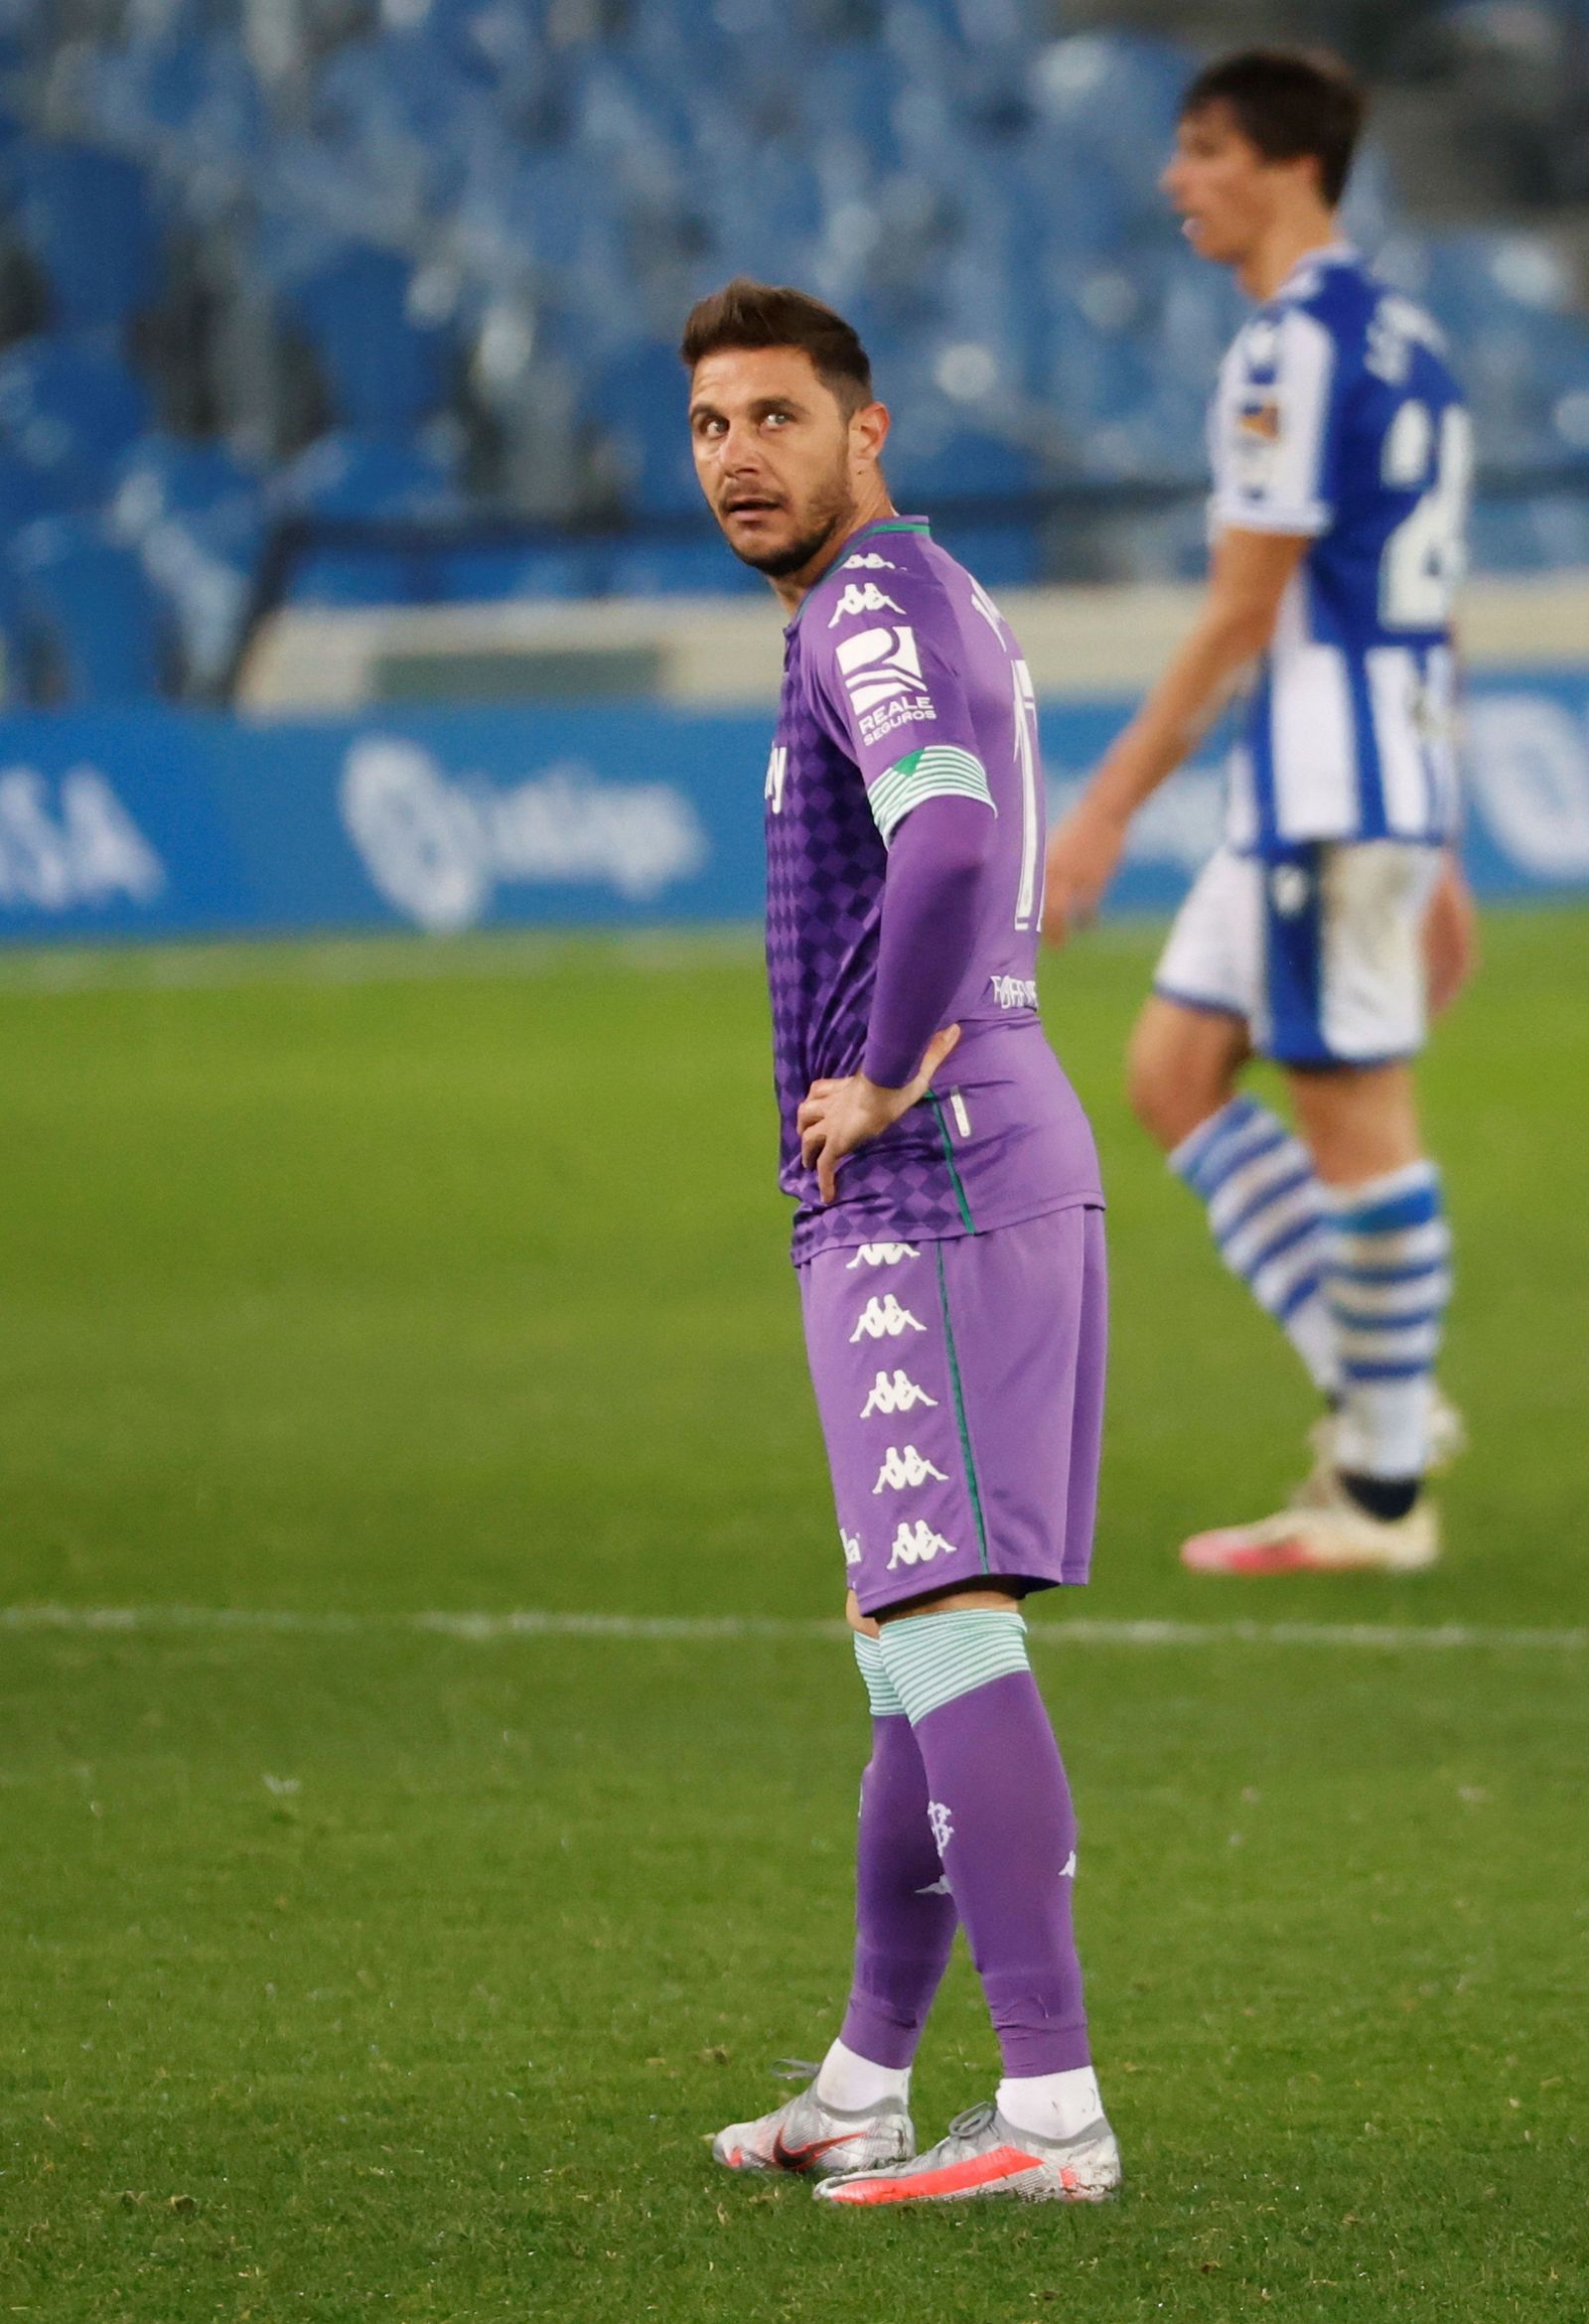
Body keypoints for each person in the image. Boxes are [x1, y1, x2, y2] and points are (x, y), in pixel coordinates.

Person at [681, 277, 1119, 2206]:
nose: (734, 458)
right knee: (900, 1640)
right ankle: (865, 2079)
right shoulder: (910, 602)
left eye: (774, 418)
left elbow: (941, 835)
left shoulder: (865, 602)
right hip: (966, 1149)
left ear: (867, 436)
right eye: (706, 426)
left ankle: (1047, 2115)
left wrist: (872, 1074)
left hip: (929, 1168)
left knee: (940, 1620)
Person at [1044, 48, 1476, 1577]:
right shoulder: (1409, 338)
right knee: (1171, 1070)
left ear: (1291, 167)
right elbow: (1424, 607)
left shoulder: (1287, 354)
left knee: (1353, 1119)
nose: (1179, 179)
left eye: (1207, 149)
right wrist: (1449, 837)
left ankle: (1374, 1494)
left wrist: (1097, 812)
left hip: (1323, 791)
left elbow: (1242, 615)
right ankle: (1386, 1402)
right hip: (1360, 782)